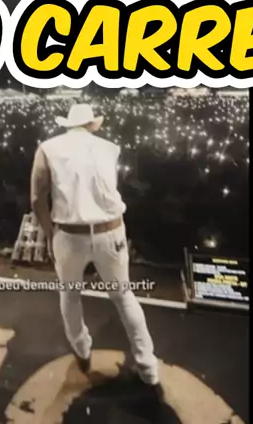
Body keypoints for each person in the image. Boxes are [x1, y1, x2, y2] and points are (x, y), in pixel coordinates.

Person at [30, 103, 160, 387]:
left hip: (69, 235)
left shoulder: (48, 149)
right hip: (110, 231)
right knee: (124, 296)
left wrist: (50, 234)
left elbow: (37, 197)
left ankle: (82, 350)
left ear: (67, 124)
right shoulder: (110, 148)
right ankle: (148, 366)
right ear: (91, 125)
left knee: (70, 295)